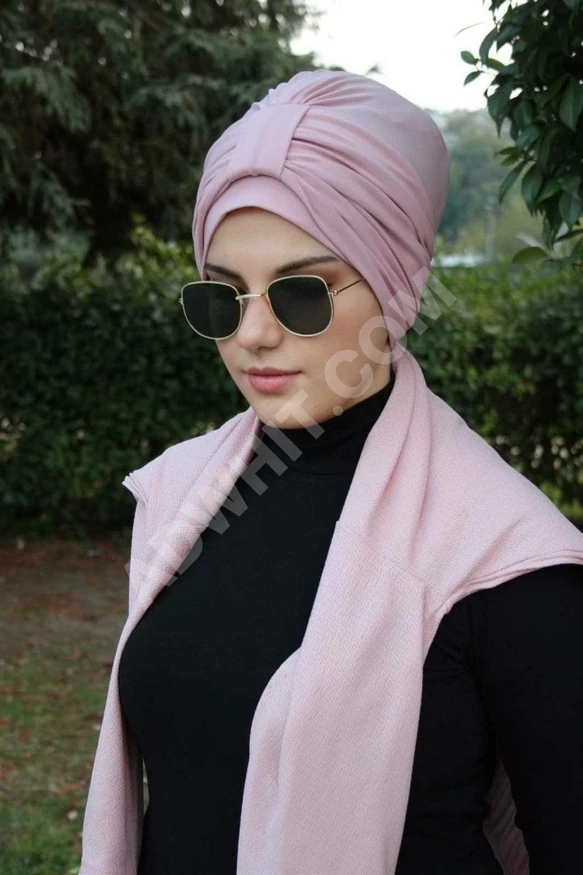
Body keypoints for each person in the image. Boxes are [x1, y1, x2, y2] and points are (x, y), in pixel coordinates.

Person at [78, 70, 583, 875]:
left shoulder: (502, 555)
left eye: (300, 293)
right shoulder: (179, 496)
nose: (251, 334)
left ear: (393, 283)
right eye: (220, 296)